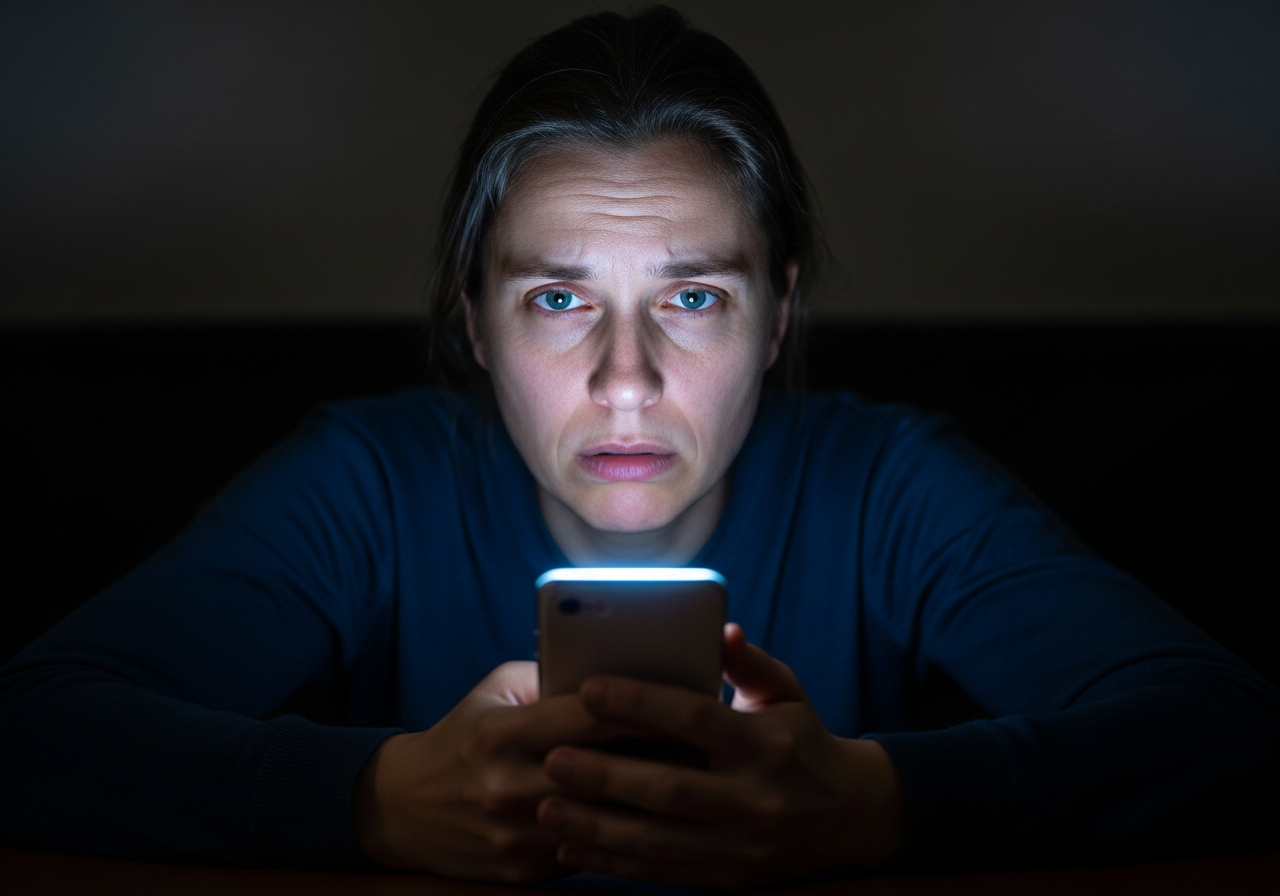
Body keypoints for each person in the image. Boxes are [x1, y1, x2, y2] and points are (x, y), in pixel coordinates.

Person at [1, 7, 1277, 889]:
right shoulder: (367, 479)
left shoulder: (886, 484)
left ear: (776, 311)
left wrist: (877, 801)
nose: (625, 379)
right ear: (474, 320)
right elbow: (35, 722)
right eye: (557, 300)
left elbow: (1225, 724)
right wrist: (371, 798)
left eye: (691, 296)